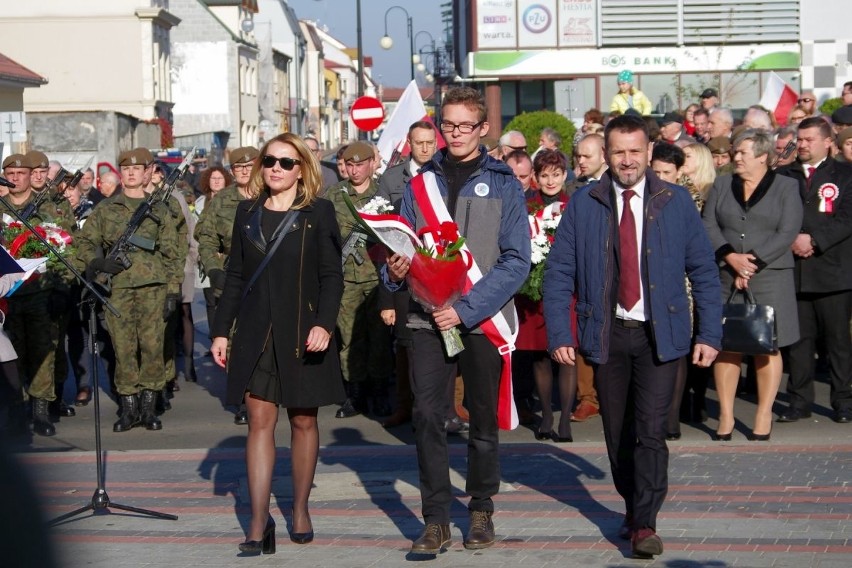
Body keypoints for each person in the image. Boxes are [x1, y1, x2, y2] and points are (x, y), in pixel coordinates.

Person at [543, 114, 722, 559]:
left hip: (660, 335)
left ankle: (645, 522)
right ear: (607, 154)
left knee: (650, 431)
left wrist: (710, 333)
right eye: (618, 151)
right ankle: (632, 502)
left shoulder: (675, 201)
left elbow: (703, 270)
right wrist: (561, 332)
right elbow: (560, 273)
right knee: (617, 432)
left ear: (648, 152)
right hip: (607, 333)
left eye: (634, 151)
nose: (627, 160)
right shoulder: (585, 203)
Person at [385, 86, 530, 555]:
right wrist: (394, 272)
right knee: (427, 416)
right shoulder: (418, 182)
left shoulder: (504, 181)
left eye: (466, 125)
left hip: (479, 319)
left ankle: (482, 508)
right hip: (427, 318)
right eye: (448, 125)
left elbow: (516, 260)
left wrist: (465, 308)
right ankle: (436, 519)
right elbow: (403, 245)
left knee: (481, 418)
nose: (456, 133)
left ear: (483, 128)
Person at [210, 132, 344, 555]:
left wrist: (324, 324)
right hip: (255, 332)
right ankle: (257, 521)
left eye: (286, 163)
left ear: (302, 168)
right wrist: (219, 329)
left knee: (303, 421)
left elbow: (332, 276)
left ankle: (300, 509)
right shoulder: (245, 212)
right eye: (270, 161)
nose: (276, 169)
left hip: (304, 332)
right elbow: (234, 276)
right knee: (259, 423)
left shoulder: (318, 213)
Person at [701, 129, 803, 441]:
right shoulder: (721, 183)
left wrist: (752, 262)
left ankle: (762, 414)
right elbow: (708, 223)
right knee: (727, 346)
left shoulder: (786, 186)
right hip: (727, 274)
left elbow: (788, 231)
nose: (736, 157)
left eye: (743, 152)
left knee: (766, 346)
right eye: (735, 151)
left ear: (762, 156)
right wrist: (731, 258)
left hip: (770, 276)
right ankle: (727, 416)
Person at [76, 148, 184, 433]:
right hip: (118, 290)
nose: (132, 173)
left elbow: (172, 253)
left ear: (148, 172)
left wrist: (173, 291)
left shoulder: (160, 208)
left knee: (151, 348)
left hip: (153, 288)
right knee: (123, 349)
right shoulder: (106, 209)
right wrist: (97, 263)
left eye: (137, 169)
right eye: (126, 169)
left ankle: (149, 408)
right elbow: (85, 242)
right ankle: (128, 408)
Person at [776, 117, 852, 424]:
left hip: (833, 272)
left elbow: (847, 217)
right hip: (794, 272)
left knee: (838, 343)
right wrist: (792, 238)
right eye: (800, 139)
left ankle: (844, 401)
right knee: (798, 342)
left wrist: (816, 240)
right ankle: (799, 400)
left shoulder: (846, 174)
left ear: (827, 142)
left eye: (808, 140)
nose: (802, 145)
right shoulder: (783, 176)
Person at [2, 153, 75, 436]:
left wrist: (62, 287)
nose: (15, 178)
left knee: (43, 351)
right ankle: (17, 412)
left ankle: (41, 411)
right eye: (10, 173)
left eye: (21, 173)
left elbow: (67, 249)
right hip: (7, 295)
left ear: (30, 175)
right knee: (12, 356)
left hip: (41, 290)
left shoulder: (48, 207)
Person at [376, 120, 438, 428]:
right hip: (403, 267)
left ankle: (448, 407)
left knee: (443, 335)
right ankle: (405, 405)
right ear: (409, 145)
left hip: (438, 266)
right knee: (404, 340)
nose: (426, 148)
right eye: (420, 143)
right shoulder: (391, 179)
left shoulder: (443, 174)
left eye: (430, 142)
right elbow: (384, 231)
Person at [326, 142, 393, 419]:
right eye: (349, 165)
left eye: (359, 164)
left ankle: (379, 393)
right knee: (349, 338)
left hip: (379, 278)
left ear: (371, 164)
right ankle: (355, 394)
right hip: (346, 279)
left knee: (379, 338)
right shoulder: (334, 195)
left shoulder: (384, 193)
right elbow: (324, 235)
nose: (354, 170)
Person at [194, 146, 258, 425]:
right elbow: (206, 238)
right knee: (234, 342)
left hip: (269, 279)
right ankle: (244, 399)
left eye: (249, 166)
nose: (244, 171)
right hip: (233, 280)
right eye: (238, 168)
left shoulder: (273, 196)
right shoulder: (221, 201)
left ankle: (266, 393)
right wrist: (214, 269)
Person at [517, 149, 576, 442]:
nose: (550, 180)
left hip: (568, 290)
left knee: (566, 356)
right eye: (544, 175)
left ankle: (564, 418)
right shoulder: (527, 205)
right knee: (540, 355)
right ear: (536, 178)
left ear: (565, 176)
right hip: (535, 289)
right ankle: (547, 417)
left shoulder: (575, 205)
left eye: (556, 174)